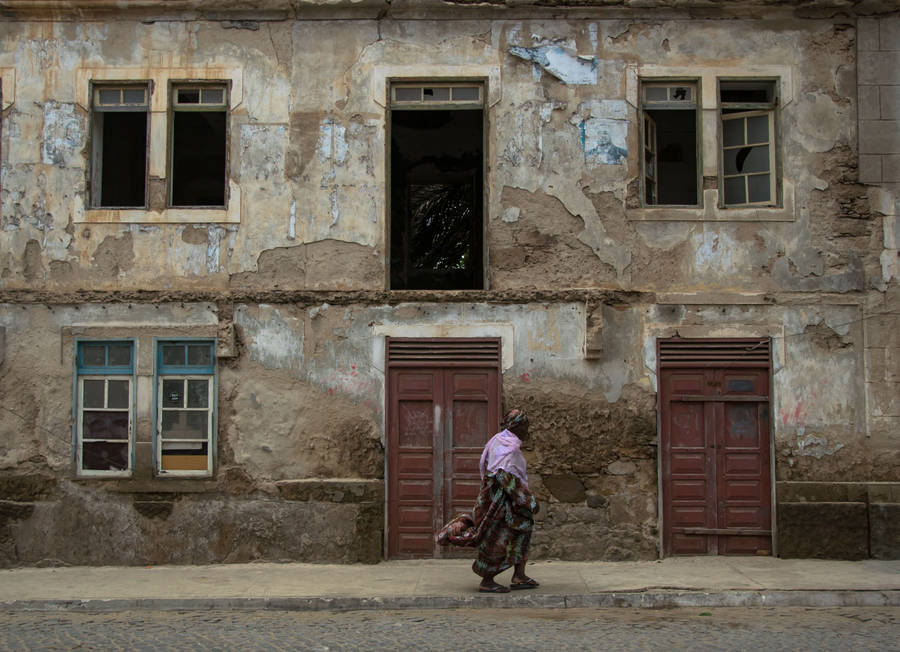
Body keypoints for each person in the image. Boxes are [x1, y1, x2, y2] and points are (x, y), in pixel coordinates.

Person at [436, 408, 540, 593]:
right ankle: (487, 580)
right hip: (501, 503)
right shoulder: (511, 447)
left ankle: (519, 576)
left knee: (522, 533)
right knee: (497, 538)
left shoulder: (499, 440)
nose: (527, 429)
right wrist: (530, 502)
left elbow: (488, 467)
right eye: (525, 425)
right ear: (517, 426)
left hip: (499, 498)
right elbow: (507, 478)